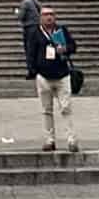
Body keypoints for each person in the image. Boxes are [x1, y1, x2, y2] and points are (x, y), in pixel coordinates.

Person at [34, 9, 78, 153]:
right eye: (46, 15)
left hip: (62, 75)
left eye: (51, 15)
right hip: (44, 76)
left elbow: (73, 47)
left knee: (66, 108)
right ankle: (49, 140)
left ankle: (71, 140)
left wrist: (65, 49)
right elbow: (30, 51)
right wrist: (34, 70)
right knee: (46, 110)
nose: (49, 17)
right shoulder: (35, 33)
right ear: (41, 18)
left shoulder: (61, 30)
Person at [18, 0, 42, 77]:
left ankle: (32, 71)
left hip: (29, 28)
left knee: (29, 50)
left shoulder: (25, 3)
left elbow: (21, 16)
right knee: (36, 49)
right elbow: (40, 9)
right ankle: (37, 69)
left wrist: (17, 12)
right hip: (37, 27)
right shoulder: (33, 1)